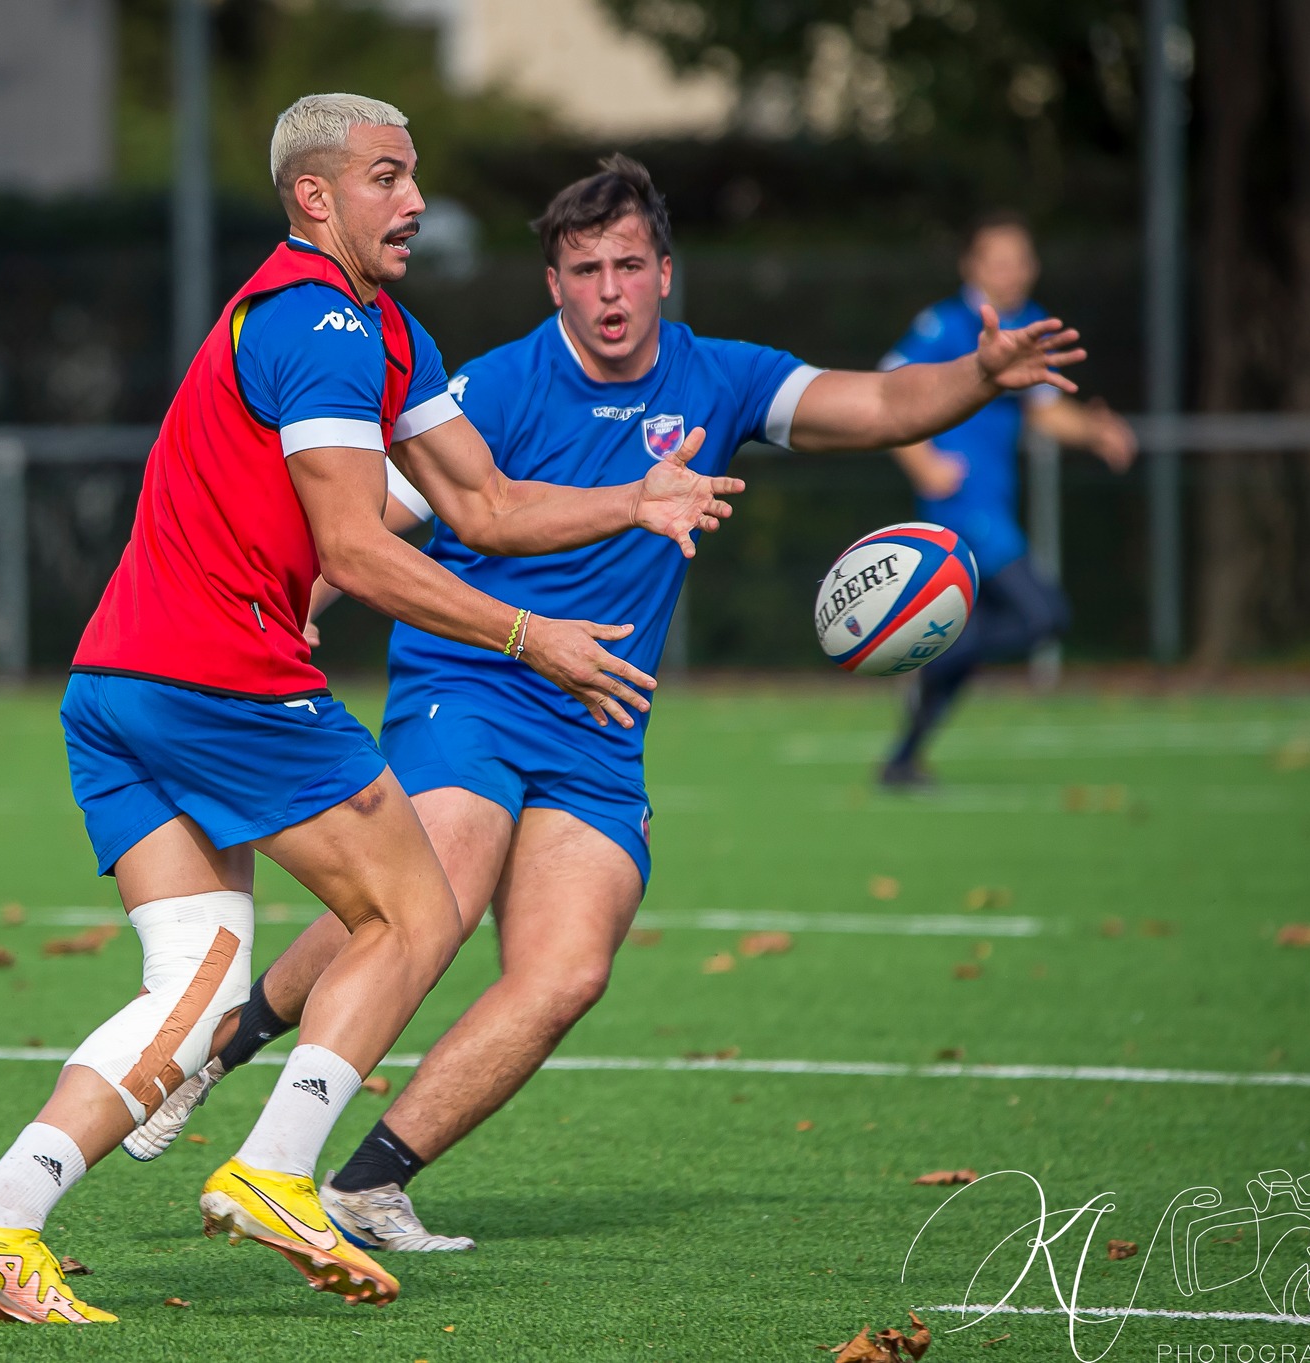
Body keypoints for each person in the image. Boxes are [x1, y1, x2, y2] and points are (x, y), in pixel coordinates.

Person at [118, 156, 1097, 1252]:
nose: (610, 290)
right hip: (474, 683)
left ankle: (366, 1181)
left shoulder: (718, 378)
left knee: (567, 970)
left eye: (628, 264)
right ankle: (219, 1060)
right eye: (583, 269)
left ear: (665, 272)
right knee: (435, 884)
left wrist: (979, 371)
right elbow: (381, 505)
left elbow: (870, 404)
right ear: (553, 285)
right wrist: (307, 584)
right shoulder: (495, 384)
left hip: (598, 720)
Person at [0, 100, 746, 1322]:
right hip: (219, 680)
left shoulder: (383, 330)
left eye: (412, 177)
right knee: (414, 907)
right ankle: (273, 1167)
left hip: (116, 682)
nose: (412, 199)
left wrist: (630, 500)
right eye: (385, 177)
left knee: (194, 990)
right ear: (315, 198)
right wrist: (534, 637)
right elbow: (355, 553)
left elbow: (488, 506)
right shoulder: (317, 324)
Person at [877, 211, 1138, 786]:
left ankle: (902, 758)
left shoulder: (1032, 326)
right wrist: (923, 461)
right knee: (1044, 613)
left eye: (1020, 259)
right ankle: (925, 659)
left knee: (966, 646)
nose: (1010, 270)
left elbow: (1047, 413)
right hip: (962, 510)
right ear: (972, 266)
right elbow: (886, 384)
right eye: (997, 259)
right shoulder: (947, 324)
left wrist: (1094, 431)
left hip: (994, 503)